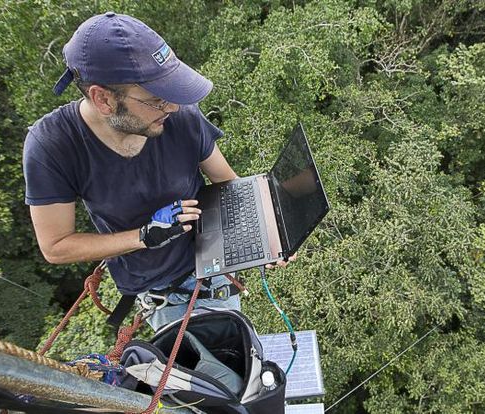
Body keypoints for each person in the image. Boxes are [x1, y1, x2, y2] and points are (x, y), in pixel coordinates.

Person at [22, 12, 293, 331]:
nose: (173, 107)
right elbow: (56, 246)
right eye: (156, 99)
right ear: (104, 99)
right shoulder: (52, 147)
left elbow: (226, 181)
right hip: (159, 290)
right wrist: (144, 236)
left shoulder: (180, 117)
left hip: (214, 264)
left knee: (240, 354)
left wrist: (266, 235)